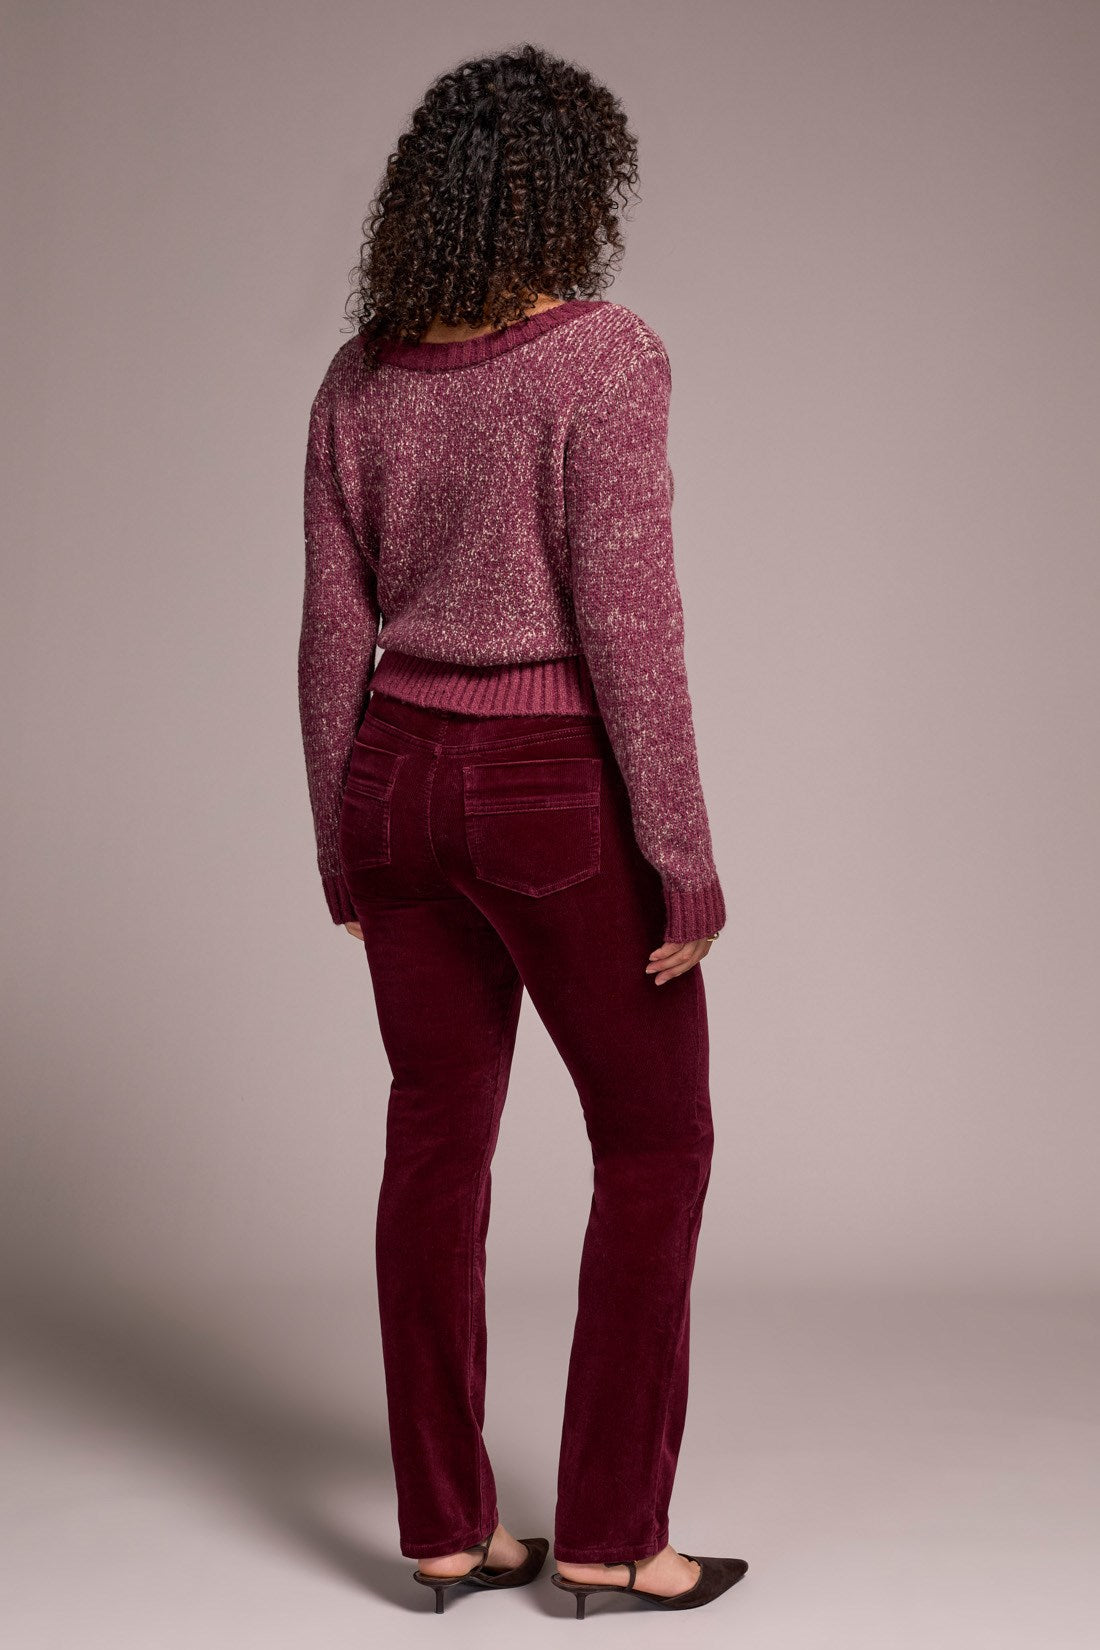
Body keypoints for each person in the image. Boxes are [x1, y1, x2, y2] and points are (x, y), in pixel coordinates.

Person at [297, 42, 748, 1617]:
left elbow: (329, 632)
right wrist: (682, 853)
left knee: (436, 1137)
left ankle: (443, 1525)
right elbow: (631, 625)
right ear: (574, 190)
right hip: (549, 784)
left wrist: (341, 836)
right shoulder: (604, 360)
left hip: (394, 782)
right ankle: (616, 1531)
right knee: (656, 1141)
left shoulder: (359, 379)